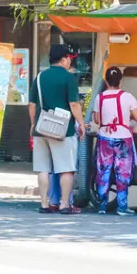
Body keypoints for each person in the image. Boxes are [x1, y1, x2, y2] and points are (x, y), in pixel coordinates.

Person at [30, 44, 86, 215]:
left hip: (41, 128)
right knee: (66, 169)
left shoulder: (39, 77)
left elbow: (32, 105)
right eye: (69, 59)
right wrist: (81, 123)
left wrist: (33, 125)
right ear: (63, 59)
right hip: (63, 130)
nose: (70, 62)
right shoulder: (68, 78)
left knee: (43, 168)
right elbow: (74, 104)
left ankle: (44, 204)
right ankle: (63, 205)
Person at [93, 67, 137, 216]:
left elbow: (96, 119)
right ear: (120, 81)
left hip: (105, 138)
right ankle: (122, 207)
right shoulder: (128, 97)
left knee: (103, 171)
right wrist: (128, 116)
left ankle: (102, 206)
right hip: (123, 138)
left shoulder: (99, 97)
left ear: (106, 81)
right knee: (123, 173)